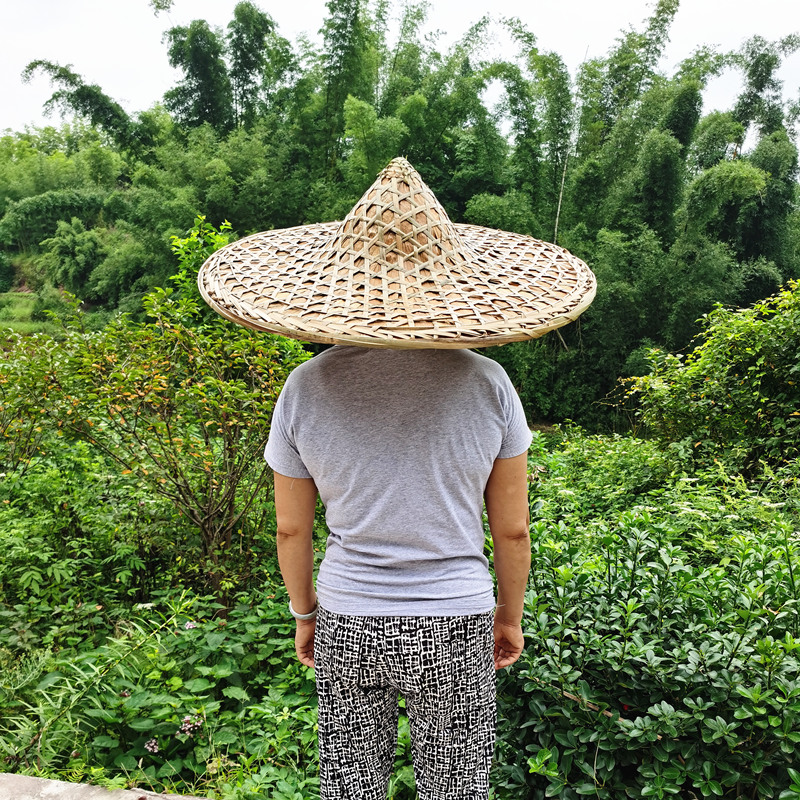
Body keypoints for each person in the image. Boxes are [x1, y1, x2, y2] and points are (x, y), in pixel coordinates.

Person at [196, 157, 596, 799]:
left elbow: (291, 526)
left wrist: (305, 614)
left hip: (349, 615)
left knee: (351, 786)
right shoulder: (489, 384)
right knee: (455, 788)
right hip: (456, 619)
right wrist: (509, 616)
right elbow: (513, 530)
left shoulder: (306, 387)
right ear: (453, 284)